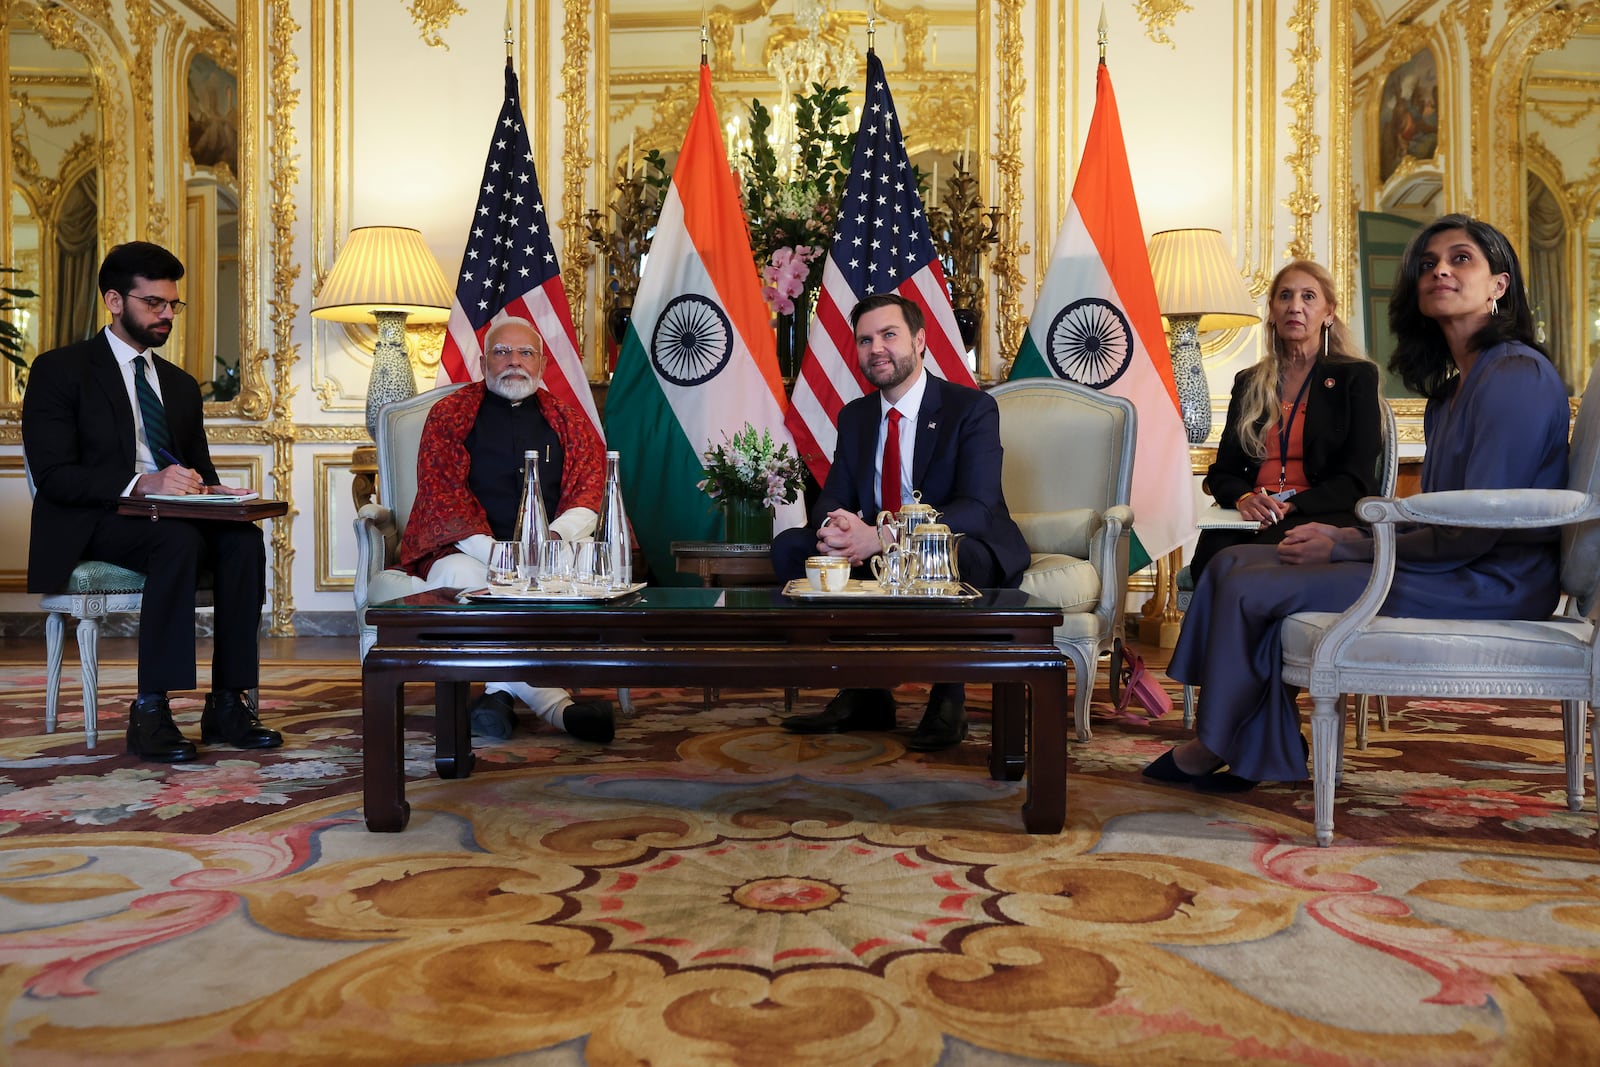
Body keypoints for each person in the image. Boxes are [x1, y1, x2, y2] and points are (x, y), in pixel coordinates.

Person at [1147, 214, 1571, 792]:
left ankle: (1216, 743)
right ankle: (1260, 745)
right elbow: (1446, 522)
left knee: (1251, 583)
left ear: (1499, 285)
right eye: (1427, 263)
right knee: (1228, 562)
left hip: (1492, 577)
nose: (1440, 269)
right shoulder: (1453, 389)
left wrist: (1348, 542)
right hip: (1452, 560)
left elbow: (1473, 530)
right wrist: (1351, 542)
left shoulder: (1516, 374)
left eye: (1460, 258)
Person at [23, 241, 279, 763]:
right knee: (177, 540)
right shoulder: (60, 370)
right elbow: (54, 477)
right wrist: (141, 485)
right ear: (115, 301)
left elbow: (197, 469)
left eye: (173, 305)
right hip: (94, 519)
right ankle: (151, 710)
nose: (166, 315)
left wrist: (214, 492)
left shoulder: (180, 386)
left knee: (244, 543)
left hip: (170, 517)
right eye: (154, 304)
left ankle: (227, 704)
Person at [771, 293, 1031, 751]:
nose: (877, 349)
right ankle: (865, 689)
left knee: (954, 556)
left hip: (961, 545)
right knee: (793, 547)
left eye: (889, 335)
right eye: (865, 340)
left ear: (920, 341)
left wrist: (885, 536)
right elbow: (832, 496)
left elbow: (978, 505)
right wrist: (839, 530)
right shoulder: (855, 416)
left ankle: (948, 696)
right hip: (875, 548)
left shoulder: (969, 408)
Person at [398, 318, 615, 743]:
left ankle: (497, 695)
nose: (513, 362)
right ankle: (559, 709)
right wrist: (498, 554)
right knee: (465, 581)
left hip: (550, 551)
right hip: (467, 552)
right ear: (483, 362)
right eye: (501, 352)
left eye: (525, 353)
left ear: (542, 363)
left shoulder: (568, 421)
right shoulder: (450, 416)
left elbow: (590, 492)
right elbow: (443, 497)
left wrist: (547, 543)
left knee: (578, 570)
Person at [1190, 259, 1382, 577]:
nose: (1295, 306)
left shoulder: (1355, 377)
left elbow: (1358, 480)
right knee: (1209, 563)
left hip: (1321, 513)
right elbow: (1222, 472)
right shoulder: (1249, 381)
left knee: (1250, 568)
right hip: (1252, 515)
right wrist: (1244, 497)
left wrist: (1293, 505)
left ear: (1329, 313)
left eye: (1308, 297)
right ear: (1273, 311)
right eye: (1285, 296)